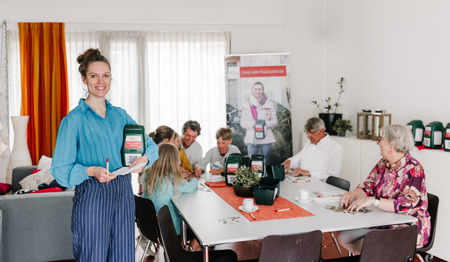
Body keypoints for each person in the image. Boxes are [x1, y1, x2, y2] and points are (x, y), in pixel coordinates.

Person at [50, 48, 159, 261]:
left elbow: (150, 145)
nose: (101, 81)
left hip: (123, 194)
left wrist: (143, 159)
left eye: (106, 75)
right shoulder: (73, 121)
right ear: (84, 79)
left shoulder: (120, 115)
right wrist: (91, 170)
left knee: (123, 255)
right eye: (94, 75)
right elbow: (60, 170)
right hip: (92, 196)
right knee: (94, 256)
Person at [338, 124, 430, 254]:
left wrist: (374, 201)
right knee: (344, 237)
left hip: (407, 226)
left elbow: (407, 205)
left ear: (392, 144)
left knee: (366, 245)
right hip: (382, 219)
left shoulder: (414, 168)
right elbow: (367, 186)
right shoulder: (383, 163)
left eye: (380, 138)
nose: (377, 142)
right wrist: (352, 193)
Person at [141, 142, 198, 239]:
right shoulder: (171, 178)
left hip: (151, 227)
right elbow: (192, 186)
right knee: (197, 228)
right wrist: (192, 178)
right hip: (171, 229)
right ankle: (184, 251)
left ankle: (181, 250)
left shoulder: (147, 175)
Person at [282, 117, 343, 181]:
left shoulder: (335, 148)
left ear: (321, 130)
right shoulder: (309, 144)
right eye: (306, 132)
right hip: (302, 181)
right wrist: (289, 161)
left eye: (311, 133)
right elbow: (298, 158)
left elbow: (333, 177)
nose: (308, 136)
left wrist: (309, 173)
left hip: (320, 186)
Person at [240, 82, 278, 164]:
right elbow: (243, 123)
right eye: (255, 89)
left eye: (260, 89)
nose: (257, 91)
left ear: (263, 91)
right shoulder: (247, 104)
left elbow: (274, 122)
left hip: (266, 137)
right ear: (252, 91)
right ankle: (253, 177)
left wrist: (262, 124)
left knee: (265, 161)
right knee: (252, 161)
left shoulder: (269, 104)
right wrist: (253, 124)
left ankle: (265, 176)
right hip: (251, 138)